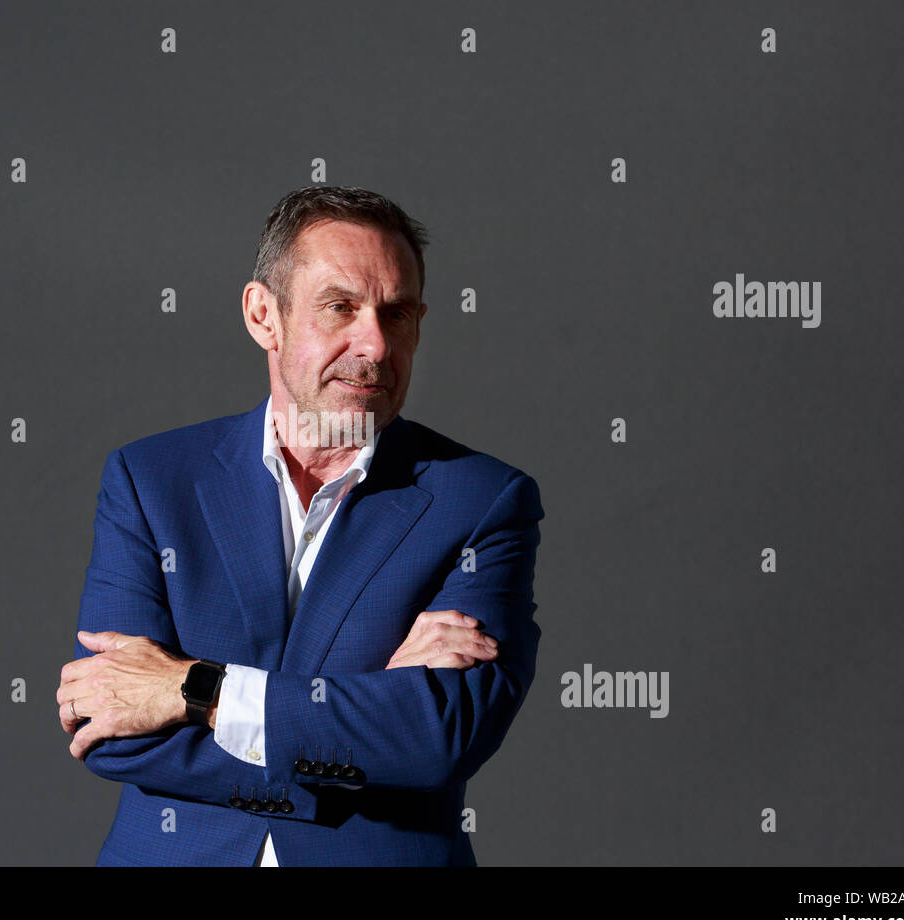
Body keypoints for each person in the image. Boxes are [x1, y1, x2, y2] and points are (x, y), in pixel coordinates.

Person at [57, 185, 545, 866]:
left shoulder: (483, 501)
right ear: (265, 316)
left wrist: (188, 690)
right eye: (340, 307)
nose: (374, 343)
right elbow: (112, 729)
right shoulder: (152, 480)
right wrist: (359, 725)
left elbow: (438, 736)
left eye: (396, 313)